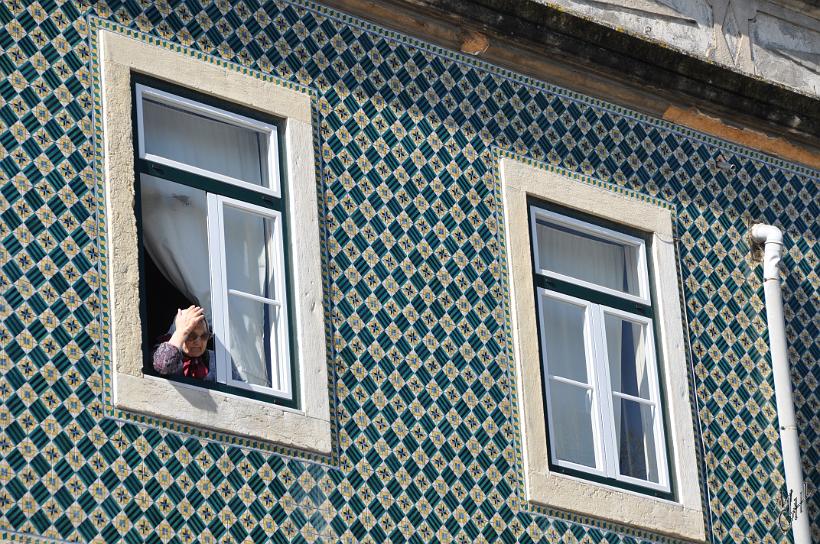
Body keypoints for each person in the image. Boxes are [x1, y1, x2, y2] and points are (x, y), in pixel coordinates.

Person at [152, 305, 215, 381]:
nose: (198, 342)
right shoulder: (160, 353)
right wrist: (181, 332)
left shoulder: (216, 359)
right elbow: (163, 366)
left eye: (204, 336)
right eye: (191, 335)